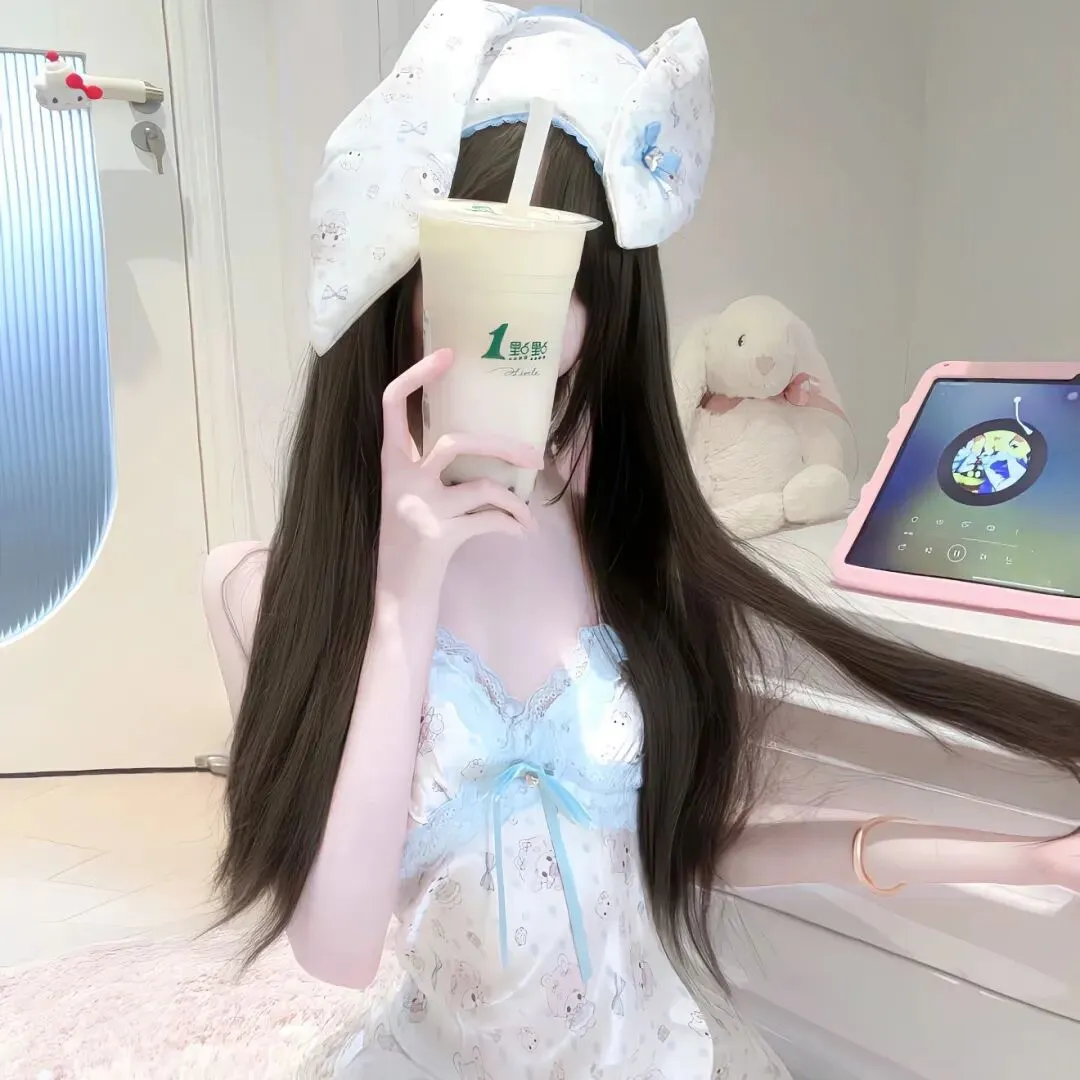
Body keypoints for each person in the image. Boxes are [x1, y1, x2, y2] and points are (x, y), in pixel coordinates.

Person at [201, 4, 1080, 1079]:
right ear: (406, 277)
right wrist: (402, 601)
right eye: (476, 264)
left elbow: (688, 846)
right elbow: (335, 948)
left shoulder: (615, 546)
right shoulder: (281, 588)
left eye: (564, 284)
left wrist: (1024, 858)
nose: (521, 323)